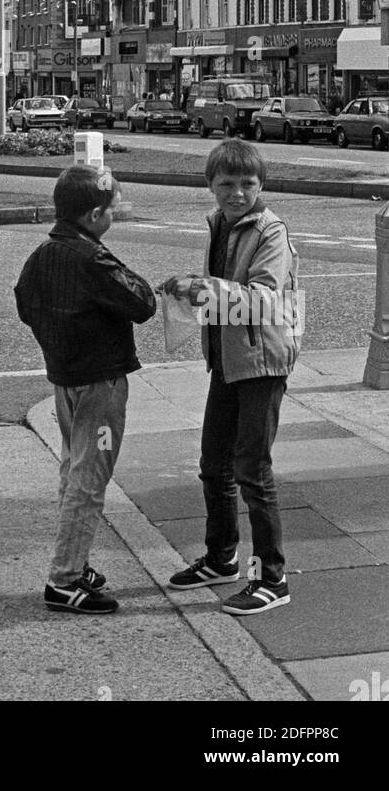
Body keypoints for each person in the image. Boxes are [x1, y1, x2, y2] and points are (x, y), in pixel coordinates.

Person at [160, 139, 300, 615]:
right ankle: (222, 559)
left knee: (253, 471)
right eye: (226, 184)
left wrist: (201, 287)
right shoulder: (219, 223)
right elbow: (223, 292)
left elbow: (261, 297)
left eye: (248, 184)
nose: (237, 192)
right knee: (213, 465)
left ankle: (273, 578)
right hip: (227, 358)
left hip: (262, 361)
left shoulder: (270, 230)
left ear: (262, 185)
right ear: (211, 187)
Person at [15, 165, 156, 615]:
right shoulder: (94, 259)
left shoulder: (42, 254)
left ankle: (76, 561)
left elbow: (25, 303)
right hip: (102, 381)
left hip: (64, 378)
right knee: (89, 481)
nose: (115, 214)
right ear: (95, 215)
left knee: (73, 471)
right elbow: (142, 303)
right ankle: (64, 579)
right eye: (112, 209)